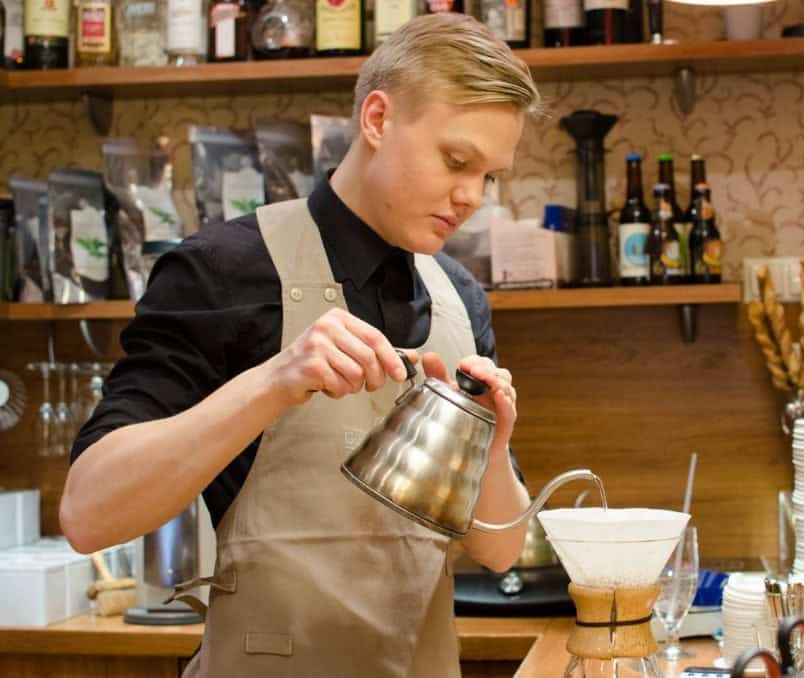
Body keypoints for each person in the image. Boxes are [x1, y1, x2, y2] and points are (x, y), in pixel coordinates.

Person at [60, 13, 541, 677]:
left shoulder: (461, 296)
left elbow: (502, 551)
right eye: (456, 161)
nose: (470, 199)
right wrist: (274, 380)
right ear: (376, 119)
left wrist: (497, 448)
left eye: (488, 176)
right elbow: (88, 513)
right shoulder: (221, 270)